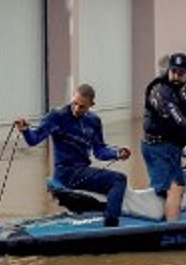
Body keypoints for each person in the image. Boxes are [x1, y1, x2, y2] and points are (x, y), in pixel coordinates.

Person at [14, 83, 131, 227]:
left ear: (91, 104)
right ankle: (111, 225)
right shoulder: (57, 116)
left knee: (114, 182)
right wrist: (25, 130)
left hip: (82, 171)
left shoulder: (94, 121)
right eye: (74, 103)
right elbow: (34, 139)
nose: (76, 109)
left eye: (82, 106)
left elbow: (99, 151)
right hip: (66, 172)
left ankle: (103, 213)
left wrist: (117, 153)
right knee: (119, 180)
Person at [141, 52, 186, 221]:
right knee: (174, 188)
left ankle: (164, 216)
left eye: (180, 73)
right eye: (173, 71)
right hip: (157, 147)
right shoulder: (160, 91)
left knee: (171, 187)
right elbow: (177, 121)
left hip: (172, 146)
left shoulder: (185, 88)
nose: (175, 76)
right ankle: (172, 230)